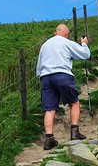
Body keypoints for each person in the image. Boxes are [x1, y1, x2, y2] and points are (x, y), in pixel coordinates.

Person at [36, 23, 91, 151]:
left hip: (45, 77)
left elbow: (39, 66)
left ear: (56, 32)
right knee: (74, 102)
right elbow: (85, 55)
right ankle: (74, 132)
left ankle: (49, 139)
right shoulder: (66, 42)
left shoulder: (45, 45)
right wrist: (84, 43)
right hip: (62, 75)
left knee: (49, 109)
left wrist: (42, 77)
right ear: (66, 34)